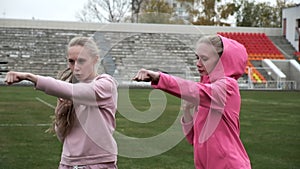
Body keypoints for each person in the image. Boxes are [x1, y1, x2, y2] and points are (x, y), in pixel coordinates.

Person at [133, 35, 251, 168]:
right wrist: (187, 112)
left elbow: (195, 91)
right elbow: (194, 139)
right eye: (197, 57)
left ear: (221, 61)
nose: (198, 63)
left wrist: (159, 77)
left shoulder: (228, 86)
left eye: (204, 59)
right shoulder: (207, 91)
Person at [5, 37, 118, 169]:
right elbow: (62, 134)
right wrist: (61, 110)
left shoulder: (105, 84)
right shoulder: (67, 90)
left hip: (98, 162)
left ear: (95, 60)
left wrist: (31, 77)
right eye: (71, 61)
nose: (75, 67)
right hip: (68, 162)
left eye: (81, 61)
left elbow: (79, 92)